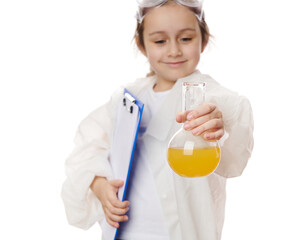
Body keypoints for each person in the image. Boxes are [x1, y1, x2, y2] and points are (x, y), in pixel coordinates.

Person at [61, 0, 254, 239]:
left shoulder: (207, 96)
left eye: (185, 38)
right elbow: (86, 151)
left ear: (203, 40)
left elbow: (231, 121)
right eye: (160, 41)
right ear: (142, 45)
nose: (174, 50)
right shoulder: (126, 100)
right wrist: (100, 187)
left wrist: (217, 120)